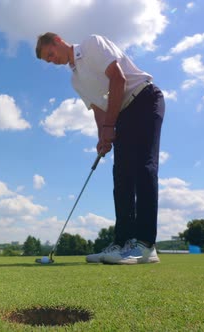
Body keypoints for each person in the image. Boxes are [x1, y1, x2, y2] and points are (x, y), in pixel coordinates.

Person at [36, 33, 165, 264]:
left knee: (144, 169)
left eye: (50, 54)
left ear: (57, 40)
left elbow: (119, 79)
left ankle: (146, 246)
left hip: (144, 99)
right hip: (121, 113)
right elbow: (98, 109)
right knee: (122, 176)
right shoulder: (75, 81)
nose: (52, 61)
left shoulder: (91, 44)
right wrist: (102, 137)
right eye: (48, 61)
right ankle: (122, 243)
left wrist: (109, 126)